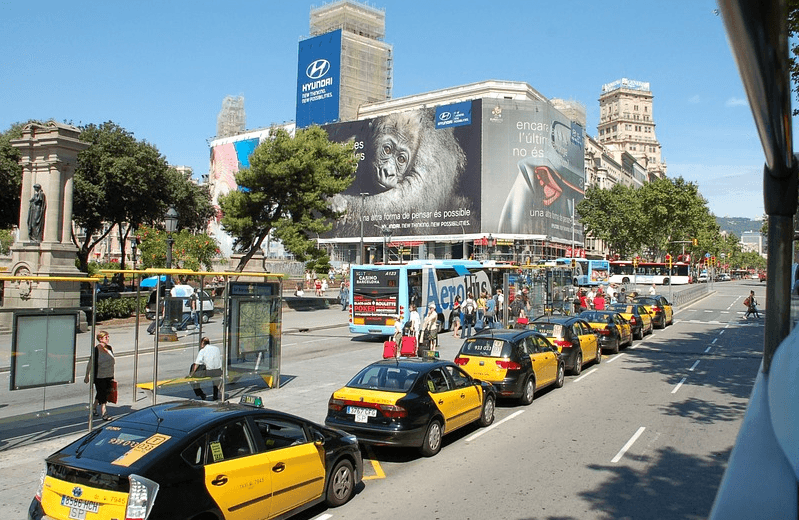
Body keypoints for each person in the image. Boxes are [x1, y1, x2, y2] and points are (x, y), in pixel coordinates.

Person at [84, 330, 115, 421]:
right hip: (99, 376)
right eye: (106, 337)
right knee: (103, 394)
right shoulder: (96, 350)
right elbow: (90, 363)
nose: (108, 339)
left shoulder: (109, 348)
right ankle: (104, 413)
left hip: (109, 375)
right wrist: (87, 375)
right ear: (100, 339)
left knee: (101, 393)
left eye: (108, 337)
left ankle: (93, 408)